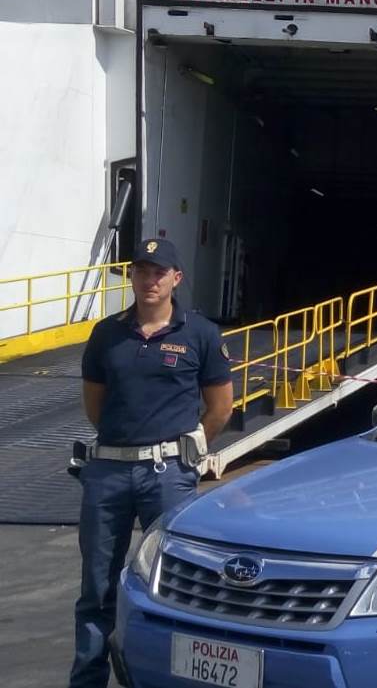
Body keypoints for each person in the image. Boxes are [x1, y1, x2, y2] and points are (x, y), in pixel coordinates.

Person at [70, 238, 234, 688]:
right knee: (97, 588)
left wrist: (188, 452)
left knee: (175, 585)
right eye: (142, 271)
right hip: (107, 474)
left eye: (159, 272)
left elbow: (220, 406)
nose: (149, 280)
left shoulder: (199, 333)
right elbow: (95, 406)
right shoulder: (107, 334)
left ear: (176, 279)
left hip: (167, 476)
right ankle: (87, 680)